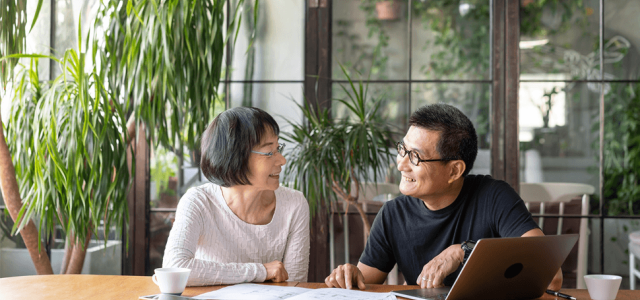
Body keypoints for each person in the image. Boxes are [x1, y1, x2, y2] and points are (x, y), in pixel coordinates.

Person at [324, 103, 562, 290]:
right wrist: (350, 277)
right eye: (402, 150)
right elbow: (365, 283)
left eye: (415, 157)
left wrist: (465, 251)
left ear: (454, 170)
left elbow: (551, 276)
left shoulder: (493, 196)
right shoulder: (393, 214)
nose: (401, 165)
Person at [163, 107, 310, 286]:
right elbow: (175, 267)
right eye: (269, 152)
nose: (282, 160)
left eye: (278, 148)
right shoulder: (198, 202)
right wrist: (260, 271)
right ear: (235, 156)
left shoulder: (294, 204)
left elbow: (295, 285)